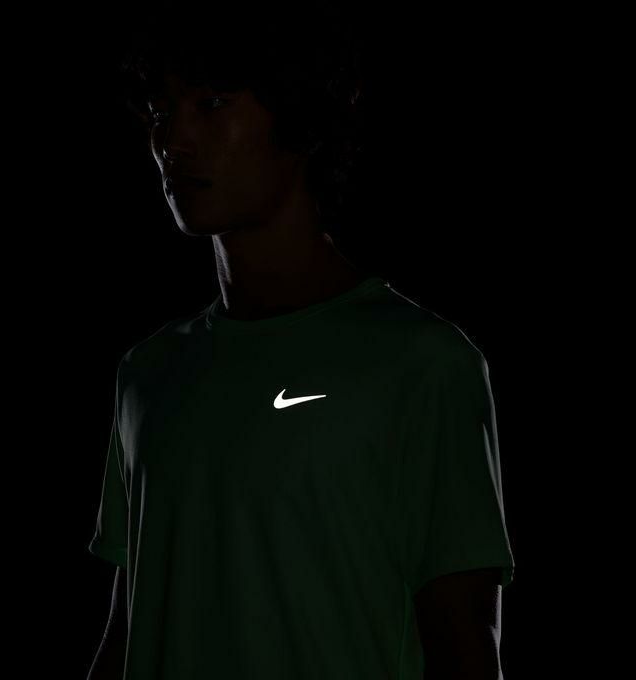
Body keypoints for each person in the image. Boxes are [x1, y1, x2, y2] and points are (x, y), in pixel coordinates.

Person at [86, 3, 515, 679]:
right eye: (160, 111)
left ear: (301, 115)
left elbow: (466, 649)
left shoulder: (422, 365)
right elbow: (128, 631)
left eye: (212, 103)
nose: (173, 140)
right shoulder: (148, 374)